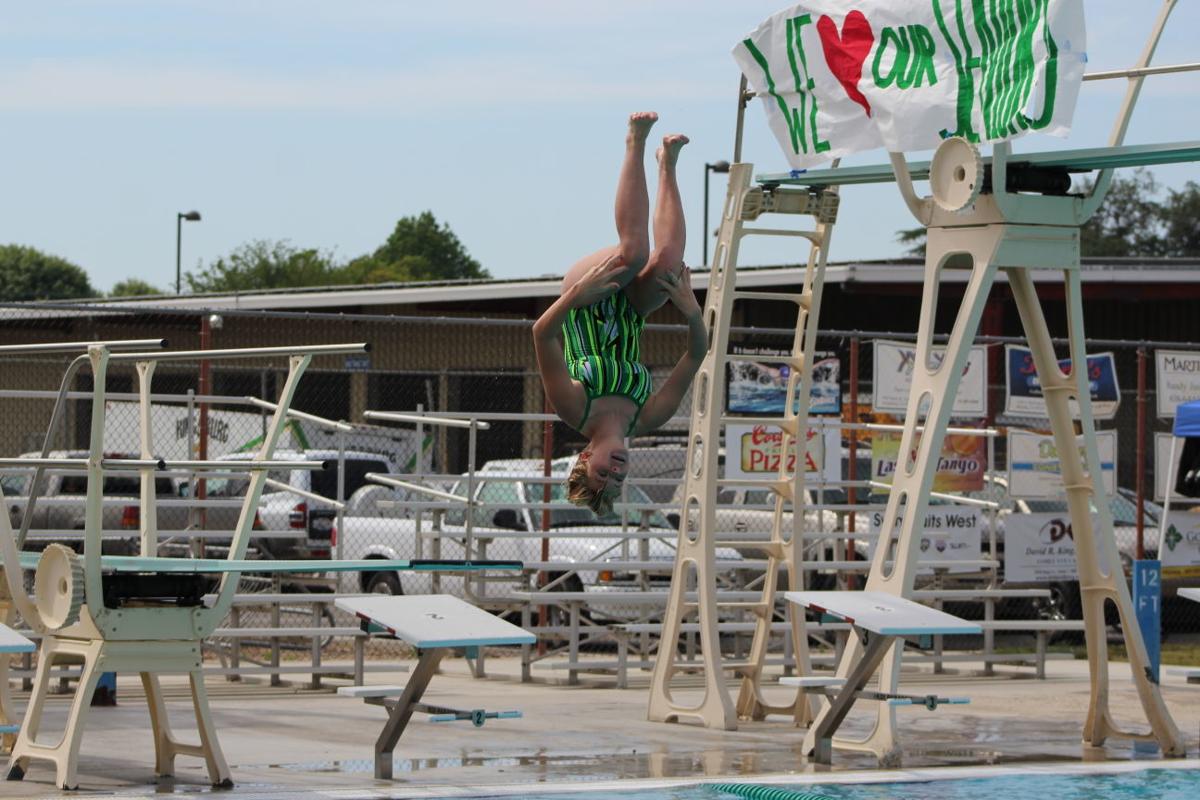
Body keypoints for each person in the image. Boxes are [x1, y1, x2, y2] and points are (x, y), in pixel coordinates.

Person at [532, 112, 707, 516]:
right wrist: (691, 311)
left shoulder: (575, 408)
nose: (615, 472)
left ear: (583, 460)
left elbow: (542, 333)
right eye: (618, 481)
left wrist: (577, 293)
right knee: (667, 268)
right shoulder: (648, 416)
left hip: (585, 297)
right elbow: (695, 356)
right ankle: (667, 164)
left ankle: (635, 141)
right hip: (629, 309)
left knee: (633, 253)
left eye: (601, 476)